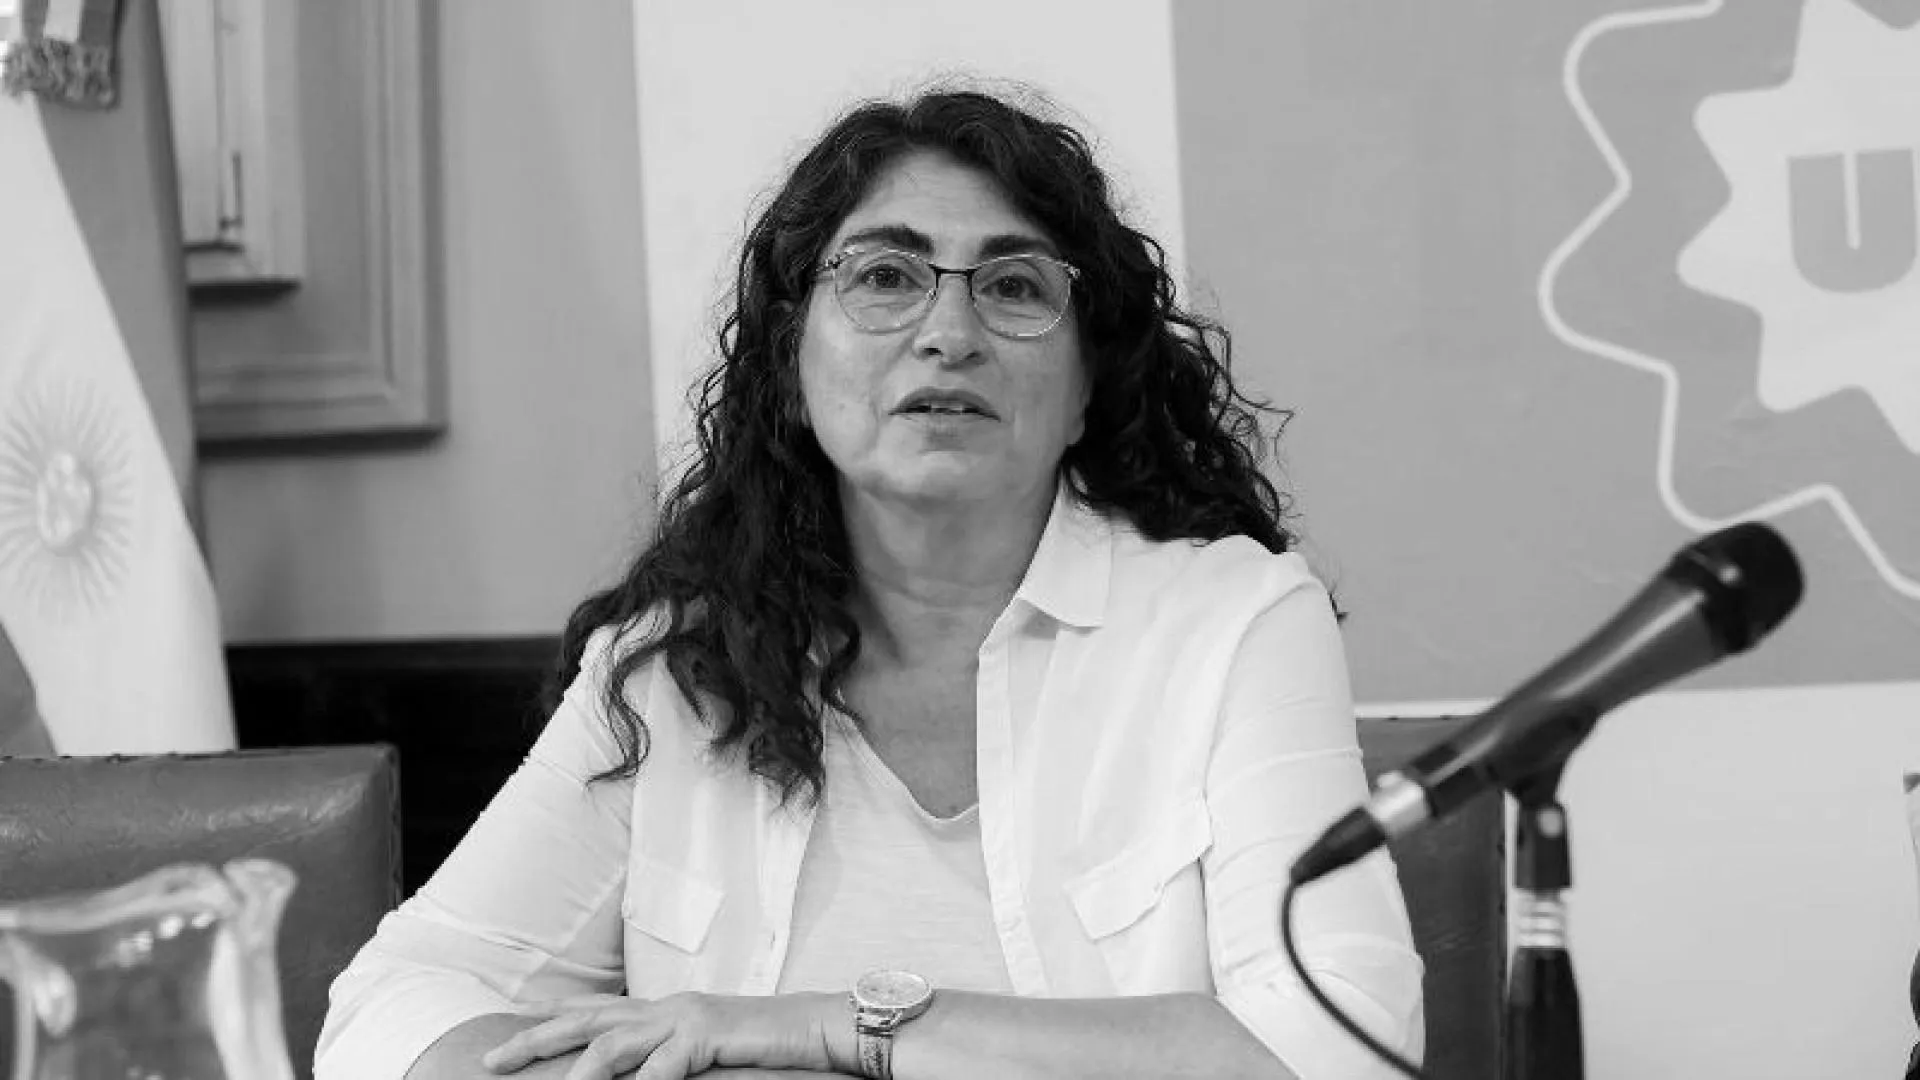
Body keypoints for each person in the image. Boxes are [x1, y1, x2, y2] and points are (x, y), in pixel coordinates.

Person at [316, 84, 1424, 1080]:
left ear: (1089, 383)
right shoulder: (678, 665)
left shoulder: (1234, 623)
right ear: (792, 367)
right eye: (885, 277)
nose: (949, 333)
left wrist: (822, 1028)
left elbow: (1342, 1049)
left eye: (1014, 286)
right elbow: (390, 1006)